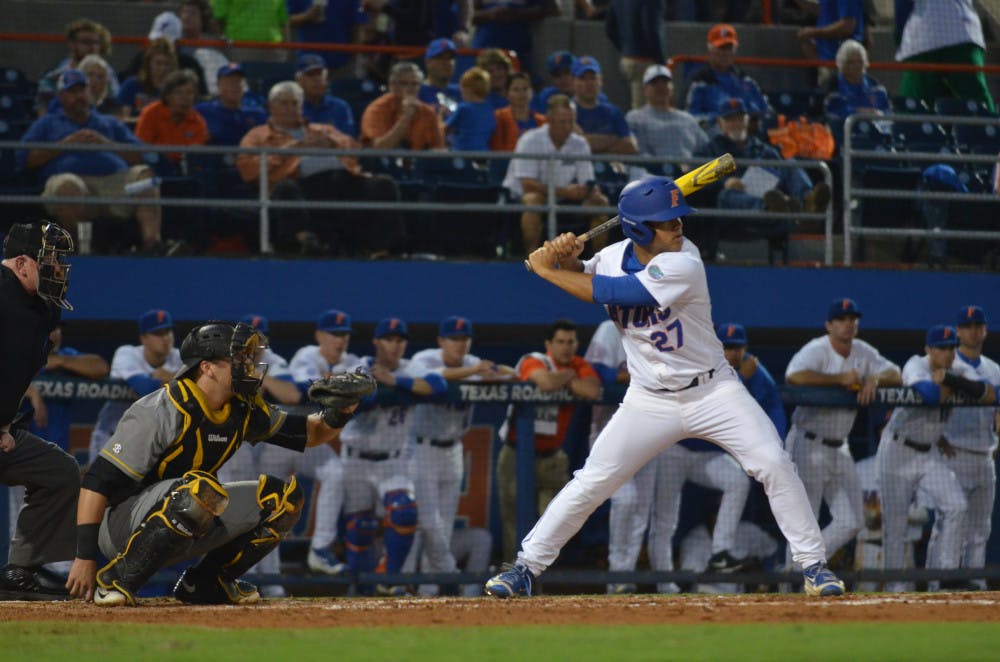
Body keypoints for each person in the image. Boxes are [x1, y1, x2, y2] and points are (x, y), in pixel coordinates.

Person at [485, 175, 847, 599]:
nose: (680, 228)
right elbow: (585, 274)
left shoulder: (685, 261)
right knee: (592, 480)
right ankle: (525, 568)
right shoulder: (611, 256)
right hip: (649, 400)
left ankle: (813, 565)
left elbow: (616, 292)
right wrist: (566, 258)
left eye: (679, 220)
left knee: (773, 463)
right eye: (668, 221)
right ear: (638, 228)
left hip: (714, 393)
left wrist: (548, 270)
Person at [64, 321, 369, 606]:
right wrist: (84, 556)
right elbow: (96, 481)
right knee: (198, 490)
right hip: (121, 525)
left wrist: (340, 411)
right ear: (207, 367)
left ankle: (206, 583)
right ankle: (116, 581)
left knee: (282, 499)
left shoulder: (243, 408)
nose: (248, 366)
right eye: (238, 359)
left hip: (190, 509)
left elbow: (310, 433)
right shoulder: (162, 408)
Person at [784, 297, 902, 563]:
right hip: (808, 442)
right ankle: (790, 581)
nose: (849, 324)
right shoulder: (817, 349)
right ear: (829, 325)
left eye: (853, 319)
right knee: (806, 520)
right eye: (842, 319)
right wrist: (839, 380)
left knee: (852, 520)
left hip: (840, 446)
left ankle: (800, 567)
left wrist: (874, 378)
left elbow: (896, 373)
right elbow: (794, 376)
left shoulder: (863, 351)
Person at [877, 324, 993, 592]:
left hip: (928, 452)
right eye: (941, 348)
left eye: (952, 347)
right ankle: (895, 590)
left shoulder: (955, 369)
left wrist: (951, 381)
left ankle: (945, 576)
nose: (948, 353)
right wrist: (958, 386)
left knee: (956, 506)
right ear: (928, 349)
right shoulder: (915, 365)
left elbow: (990, 392)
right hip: (896, 451)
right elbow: (930, 395)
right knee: (895, 526)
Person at [337, 318, 447, 594]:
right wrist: (397, 391)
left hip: (394, 461)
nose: (395, 346)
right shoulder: (359, 365)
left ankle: (390, 579)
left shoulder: (411, 367)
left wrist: (395, 381)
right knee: (359, 528)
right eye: (388, 339)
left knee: (404, 512)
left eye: (400, 340)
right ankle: (361, 591)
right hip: (356, 459)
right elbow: (358, 401)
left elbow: (438, 385)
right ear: (376, 342)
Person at [0, 222, 80, 601]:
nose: (59, 270)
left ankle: (20, 569)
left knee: (60, 473)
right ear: (21, 262)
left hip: (4, 432)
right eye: (50, 261)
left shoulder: (43, 308)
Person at [405, 316, 511, 594]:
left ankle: (429, 592)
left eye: (464, 339)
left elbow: (511, 375)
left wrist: (493, 372)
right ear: (441, 341)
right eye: (453, 339)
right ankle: (442, 575)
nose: (459, 344)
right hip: (422, 449)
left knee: (444, 525)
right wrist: (475, 370)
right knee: (427, 523)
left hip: (453, 450)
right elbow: (430, 378)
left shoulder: (472, 361)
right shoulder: (423, 358)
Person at [237, 81, 402, 257]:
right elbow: (248, 170)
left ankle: (381, 251)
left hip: (340, 181)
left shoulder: (322, 129)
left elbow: (355, 148)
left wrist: (332, 143)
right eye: (284, 103)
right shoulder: (257, 135)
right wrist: (291, 148)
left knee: (383, 184)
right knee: (285, 189)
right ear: (271, 106)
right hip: (300, 184)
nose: (290, 108)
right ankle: (306, 241)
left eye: (295, 103)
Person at [18, 70, 165, 254]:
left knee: (146, 178)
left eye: (82, 90)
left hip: (114, 187)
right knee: (68, 186)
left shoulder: (109, 123)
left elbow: (142, 156)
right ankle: (80, 252)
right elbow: (26, 159)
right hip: (72, 185)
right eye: (72, 92)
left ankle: (152, 246)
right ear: (61, 96)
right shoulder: (47, 123)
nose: (79, 96)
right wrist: (65, 144)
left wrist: (108, 144)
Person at [497, 318, 600, 561]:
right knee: (513, 522)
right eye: (560, 342)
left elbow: (593, 391)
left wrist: (564, 378)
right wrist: (568, 377)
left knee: (554, 523)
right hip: (516, 455)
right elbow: (544, 382)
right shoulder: (534, 360)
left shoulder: (579, 363)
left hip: (553, 457)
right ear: (549, 344)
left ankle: (539, 581)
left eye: (571, 342)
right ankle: (514, 582)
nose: (566, 347)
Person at [693, 97, 828, 262]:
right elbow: (695, 181)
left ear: (747, 120)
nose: (736, 123)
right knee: (726, 195)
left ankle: (807, 202)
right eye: (730, 119)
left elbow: (781, 173)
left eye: (740, 118)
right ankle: (770, 209)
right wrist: (725, 182)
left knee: (790, 163)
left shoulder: (762, 149)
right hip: (731, 212)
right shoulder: (711, 150)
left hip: (766, 194)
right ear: (720, 124)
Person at [287, 309, 364, 575]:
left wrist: (331, 383)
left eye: (344, 334)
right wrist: (343, 385)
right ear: (319, 335)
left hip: (313, 440)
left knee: (335, 473)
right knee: (266, 500)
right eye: (334, 334)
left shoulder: (354, 359)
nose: (340, 340)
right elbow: (303, 390)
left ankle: (320, 550)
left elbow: (366, 387)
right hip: (282, 437)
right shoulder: (306, 355)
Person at [502, 94, 609, 255]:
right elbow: (527, 185)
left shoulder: (579, 143)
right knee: (533, 200)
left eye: (571, 122)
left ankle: (599, 261)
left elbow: (588, 181)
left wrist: (588, 191)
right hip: (524, 198)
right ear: (549, 120)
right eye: (562, 122)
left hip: (563, 199)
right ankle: (532, 260)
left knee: (600, 202)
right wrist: (566, 192)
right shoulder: (529, 140)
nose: (567, 127)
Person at [940, 306, 1000, 590]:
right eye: (968, 325)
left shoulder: (995, 369)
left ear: (985, 330)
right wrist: (937, 438)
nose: (974, 330)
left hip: (985, 456)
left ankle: (975, 586)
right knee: (948, 524)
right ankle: (936, 585)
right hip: (955, 453)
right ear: (959, 331)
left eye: (979, 325)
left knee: (980, 529)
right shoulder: (948, 364)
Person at [88, 309, 184, 464]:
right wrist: (174, 379)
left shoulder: (177, 356)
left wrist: (166, 378)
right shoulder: (127, 354)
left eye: (168, 332)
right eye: (158, 333)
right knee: (101, 486)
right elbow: (145, 388)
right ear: (143, 338)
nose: (166, 338)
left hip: (147, 440)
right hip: (113, 436)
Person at [895, 0, 995, 113]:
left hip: (925, 38)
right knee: (977, 101)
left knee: (913, 106)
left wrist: (899, 36)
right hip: (965, 33)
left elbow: (903, 4)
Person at [684, 24, 772, 130]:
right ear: (710, 50)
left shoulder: (746, 80)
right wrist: (721, 119)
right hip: (714, 137)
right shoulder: (698, 82)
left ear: (735, 51)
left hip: (748, 134)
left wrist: (748, 119)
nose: (724, 53)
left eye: (729, 48)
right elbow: (689, 119)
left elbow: (767, 110)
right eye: (720, 48)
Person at [626, 65, 709, 172]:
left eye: (665, 82)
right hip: (652, 177)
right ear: (645, 89)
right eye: (654, 83)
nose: (661, 87)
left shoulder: (688, 119)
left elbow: (706, 150)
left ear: (672, 87)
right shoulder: (634, 118)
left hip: (689, 178)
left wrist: (692, 168)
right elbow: (635, 152)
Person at [36, 18, 120, 116]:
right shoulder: (54, 79)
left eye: (96, 42)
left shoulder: (107, 75)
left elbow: (116, 109)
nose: (92, 47)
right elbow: (43, 115)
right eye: (86, 42)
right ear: (71, 44)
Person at [360, 62, 445, 151]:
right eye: (404, 83)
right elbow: (378, 150)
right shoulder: (376, 110)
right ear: (391, 86)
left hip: (418, 162)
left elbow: (439, 150)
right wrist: (406, 117)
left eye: (414, 84)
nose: (410, 88)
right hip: (383, 162)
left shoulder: (428, 113)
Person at [134, 69, 209, 168]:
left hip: (184, 170)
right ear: (168, 96)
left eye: (190, 93)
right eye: (179, 93)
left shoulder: (198, 122)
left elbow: (196, 157)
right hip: (153, 168)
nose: (185, 98)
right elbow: (141, 148)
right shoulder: (151, 113)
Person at [603, 0, 667, 111]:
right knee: (644, 112)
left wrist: (625, 49)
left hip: (627, 59)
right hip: (645, 61)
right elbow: (651, 30)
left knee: (638, 107)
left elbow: (609, 28)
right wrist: (661, 64)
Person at [471, 0, 558, 76]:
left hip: (518, 49)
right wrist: (489, 14)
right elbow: (470, 15)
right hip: (485, 48)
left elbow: (551, 10)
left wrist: (517, 13)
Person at [571, 56, 638, 157]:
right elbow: (571, 146)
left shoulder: (613, 111)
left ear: (600, 80)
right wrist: (613, 139)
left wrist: (590, 144)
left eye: (593, 78)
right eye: (583, 78)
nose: (589, 83)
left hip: (611, 169)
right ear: (573, 82)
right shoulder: (567, 110)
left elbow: (630, 145)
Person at [791, 0, 865, 85]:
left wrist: (813, 33)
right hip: (827, 62)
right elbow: (824, 9)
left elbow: (847, 26)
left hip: (844, 65)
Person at [195, 63, 268, 147]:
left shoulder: (257, 114)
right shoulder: (202, 111)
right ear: (218, 85)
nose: (235, 85)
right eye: (229, 81)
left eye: (238, 81)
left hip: (247, 159)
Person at [822, 39, 891, 126]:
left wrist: (879, 114)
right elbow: (831, 112)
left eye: (860, 61)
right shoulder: (832, 85)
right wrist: (857, 112)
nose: (857, 66)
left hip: (874, 133)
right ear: (843, 64)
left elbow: (887, 113)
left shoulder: (875, 86)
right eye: (852, 62)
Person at [295, 54, 357, 137]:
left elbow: (349, 139)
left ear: (327, 79)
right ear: (299, 81)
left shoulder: (341, 107)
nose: (316, 79)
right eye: (310, 74)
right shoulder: (291, 106)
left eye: (319, 74)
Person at [117, 38, 180, 119]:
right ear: (148, 64)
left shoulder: (177, 90)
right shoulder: (132, 85)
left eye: (167, 64)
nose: (163, 69)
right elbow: (124, 119)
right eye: (158, 63)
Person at [178, 0, 230, 95]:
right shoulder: (174, 43)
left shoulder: (214, 45)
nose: (186, 17)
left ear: (202, 19)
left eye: (192, 13)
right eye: (184, 12)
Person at [211, 0, 289, 62]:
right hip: (240, 47)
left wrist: (284, 48)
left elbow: (283, 20)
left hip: (273, 50)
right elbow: (217, 17)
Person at [490, 72, 546, 152]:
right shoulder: (498, 118)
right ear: (507, 94)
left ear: (532, 92)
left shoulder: (543, 121)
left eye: (525, 89)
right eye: (516, 90)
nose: (521, 93)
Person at [445, 67, 496, 151]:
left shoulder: (463, 107)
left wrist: (440, 115)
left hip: (462, 155)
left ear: (467, 89)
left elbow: (444, 129)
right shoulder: (490, 109)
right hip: (484, 156)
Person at [419, 38, 463, 114]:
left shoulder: (463, 92)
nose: (446, 63)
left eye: (450, 58)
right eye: (440, 58)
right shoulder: (416, 91)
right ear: (427, 62)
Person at [530, 50, 577, 116]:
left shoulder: (589, 94)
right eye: (557, 75)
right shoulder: (546, 97)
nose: (563, 78)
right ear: (552, 78)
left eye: (567, 72)